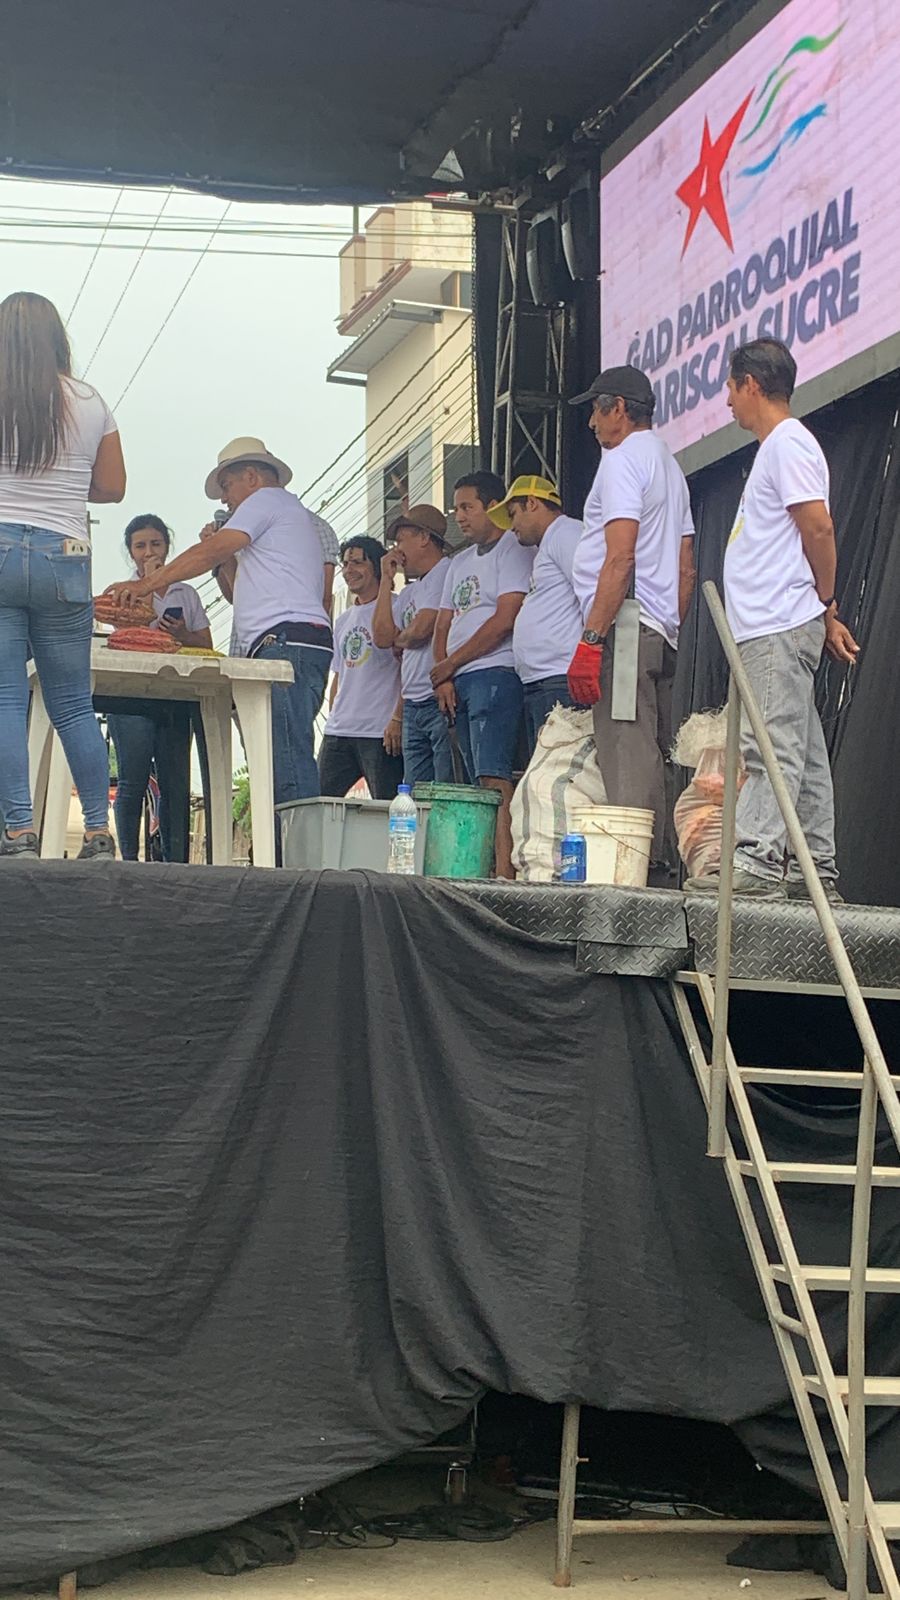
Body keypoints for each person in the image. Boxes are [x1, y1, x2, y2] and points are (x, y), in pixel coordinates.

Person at [687, 339, 859, 901]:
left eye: (731, 388)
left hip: (776, 624)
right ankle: (815, 871)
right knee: (801, 751)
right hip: (778, 621)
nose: (727, 402)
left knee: (770, 746)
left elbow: (819, 528)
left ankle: (759, 860)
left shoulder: (787, 443)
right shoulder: (778, 448)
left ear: (752, 385)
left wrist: (825, 601)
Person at [104, 437, 332, 828]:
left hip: (285, 641)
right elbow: (235, 589)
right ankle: (288, 853)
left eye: (227, 486)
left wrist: (145, 585)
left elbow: (210, 552)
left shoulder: (265, 500)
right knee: (278, 761)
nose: (225, 499)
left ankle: (302, 858)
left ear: (251, 476)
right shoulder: (284, 516)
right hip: (288, 641)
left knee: (287, 765)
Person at [0, 290, 125, 861]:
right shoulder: (90, 399)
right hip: (66, 554)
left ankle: (18, 832)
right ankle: (97, 831)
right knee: (73, 702)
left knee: (6, 700)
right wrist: (66, 484)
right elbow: (113, 487)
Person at [568, 366, 696, 873]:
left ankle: (636, 874)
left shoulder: (621, 461)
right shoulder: (670, 465)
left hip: (625, 624)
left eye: (595, 410)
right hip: (658, 625)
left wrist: (591, 638)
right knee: (653, 750)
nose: (591, 423)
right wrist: (669, 625)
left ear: (618, 408)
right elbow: (686, 566)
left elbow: (620, 557)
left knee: (626, 749)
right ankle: (659, 868)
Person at [431, 470, 534, 878]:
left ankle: (504, 872)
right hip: (458, 679)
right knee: (474, 779)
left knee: (494, 775)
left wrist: (450, 664)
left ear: (493, 506)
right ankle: (483, 866)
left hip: (495, 672)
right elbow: (443, 623)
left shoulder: (513, 549)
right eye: (456, 509)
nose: (459, 517)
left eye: (467, 507)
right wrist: (443, 676)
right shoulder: (458, 562)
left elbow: (505, 618)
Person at [107, 514, 212, 861]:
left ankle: (175, 861)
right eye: (140, 546)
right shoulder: (123, 592)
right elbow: (127, 633)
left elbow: (206, 643)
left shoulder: (187, 592)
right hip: (131, 693)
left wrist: (181, 633)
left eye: (155, 543)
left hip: (175, 693)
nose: (149, 551)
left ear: (167, 547)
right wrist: (150, 585)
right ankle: (129, 860)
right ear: (131, 552)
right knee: (133, 780)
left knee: (175, 783)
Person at [487, 474, 583, 760]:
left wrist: (591, 649)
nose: (512, 526)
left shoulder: (566, 532)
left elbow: (592, 590)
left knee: (561, 769)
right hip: (543, 680)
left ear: (532, 503)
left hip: (561, 677)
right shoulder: (549, 545)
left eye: (513, 514)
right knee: (546, 771)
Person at [371, 503, 453, 784]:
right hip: (413, 703)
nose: (397, 549)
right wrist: (385, 580)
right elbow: (382, 638)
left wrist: (401, 638)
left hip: (437, 698)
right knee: (414, 791)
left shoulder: (445, 571)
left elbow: (421, 630)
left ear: (424, 537)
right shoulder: (410, 591)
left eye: (401, 540)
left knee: (444, 785)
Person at [319, 537, 404, 799]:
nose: (349, 570)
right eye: (345, 564)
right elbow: (339, 675)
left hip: (380, 731)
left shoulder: (398, 607)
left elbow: (408, 669)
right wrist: (333, 716)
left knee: (387, 807)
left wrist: (398, 718)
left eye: (357, 562)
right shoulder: (343, 619)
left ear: (376, 566)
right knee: (318, 803)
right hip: (339, 731)